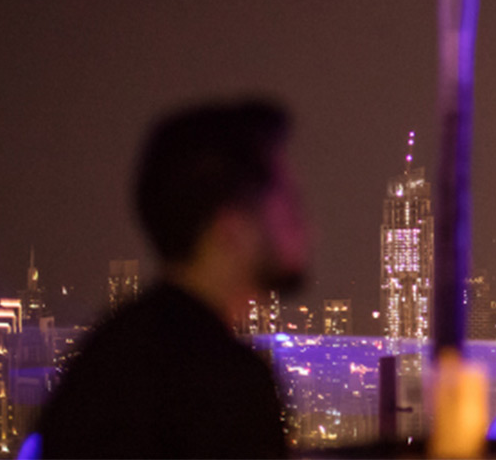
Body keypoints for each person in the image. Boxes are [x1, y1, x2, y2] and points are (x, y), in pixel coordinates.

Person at [36, 98, 309, 459]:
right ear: (231, 229)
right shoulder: (222, 381)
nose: (305, 224)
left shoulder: (106, 359)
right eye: (286, 201)